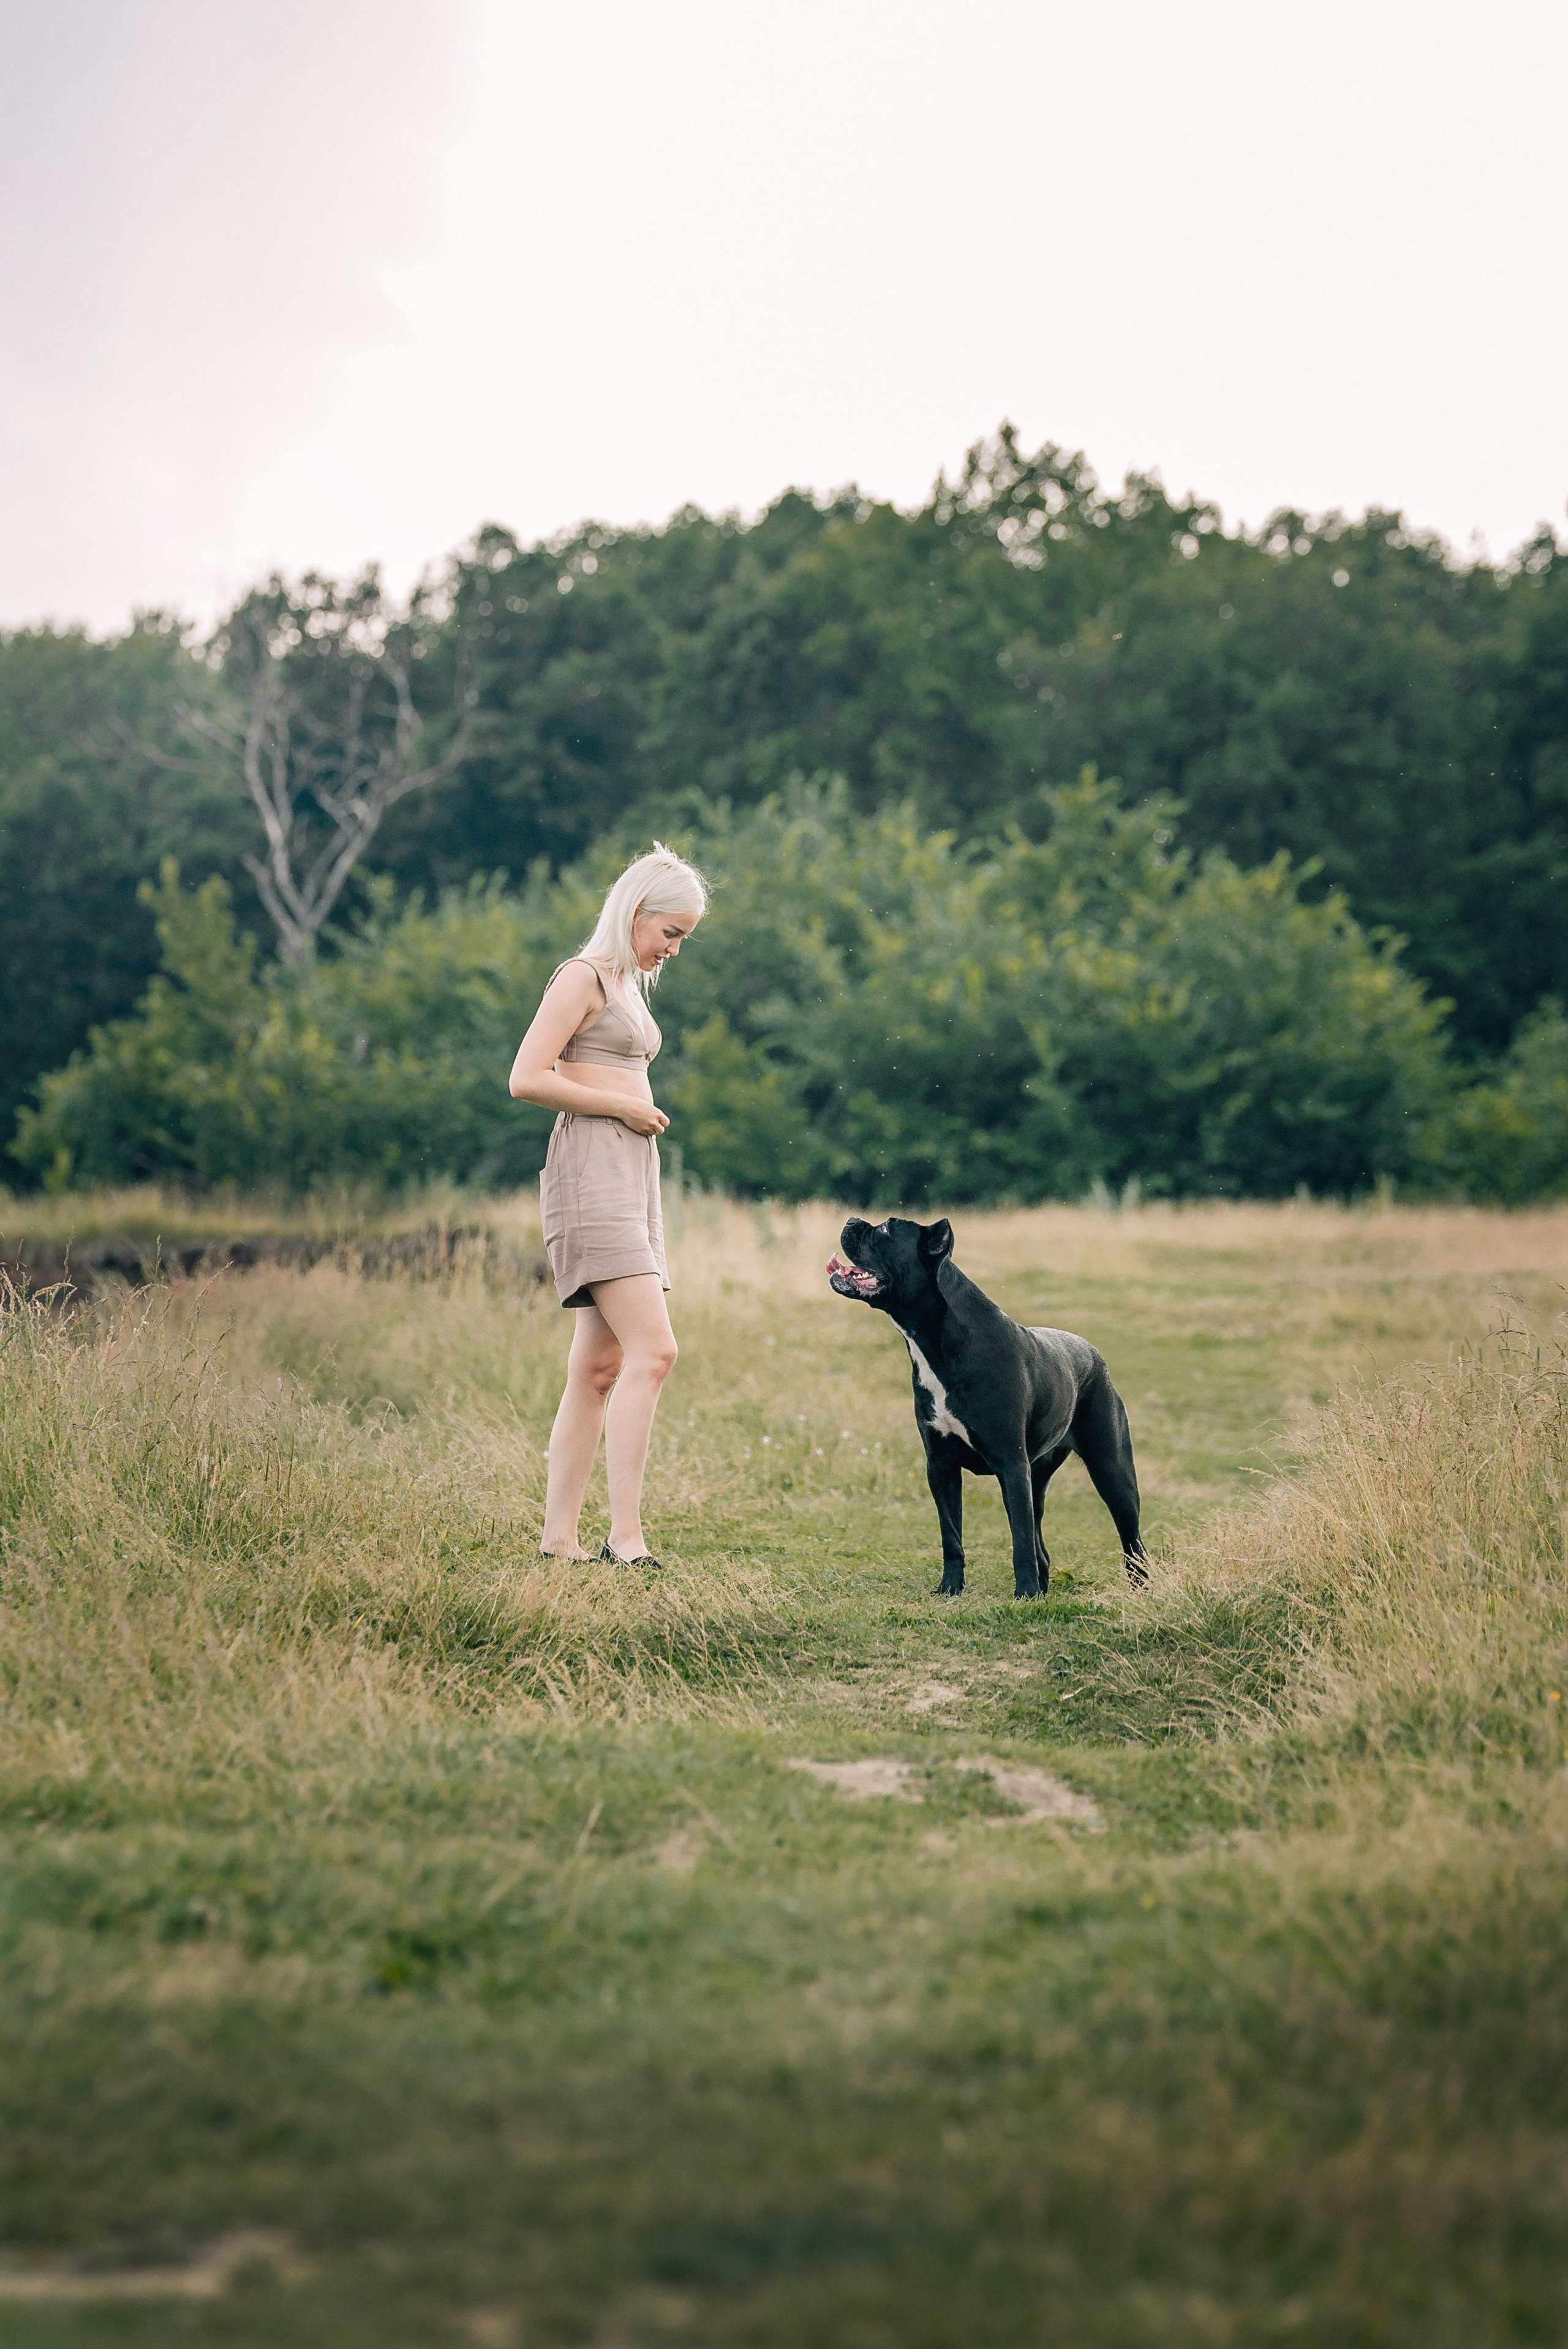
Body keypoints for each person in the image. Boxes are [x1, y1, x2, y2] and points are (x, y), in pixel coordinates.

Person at [508, 845, 707, 1567]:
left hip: (631, 1178)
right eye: (670, 932)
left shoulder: (627, 986)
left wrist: (631, 1119)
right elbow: (525, 1077)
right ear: (636, 912)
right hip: (591, 1174)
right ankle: (625, 1540)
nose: (673, 949)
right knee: (655, 1352)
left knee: (598, 1369)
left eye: (682, 937)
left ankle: (557, 1543)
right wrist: (621, 1109)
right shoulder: (581, 977)